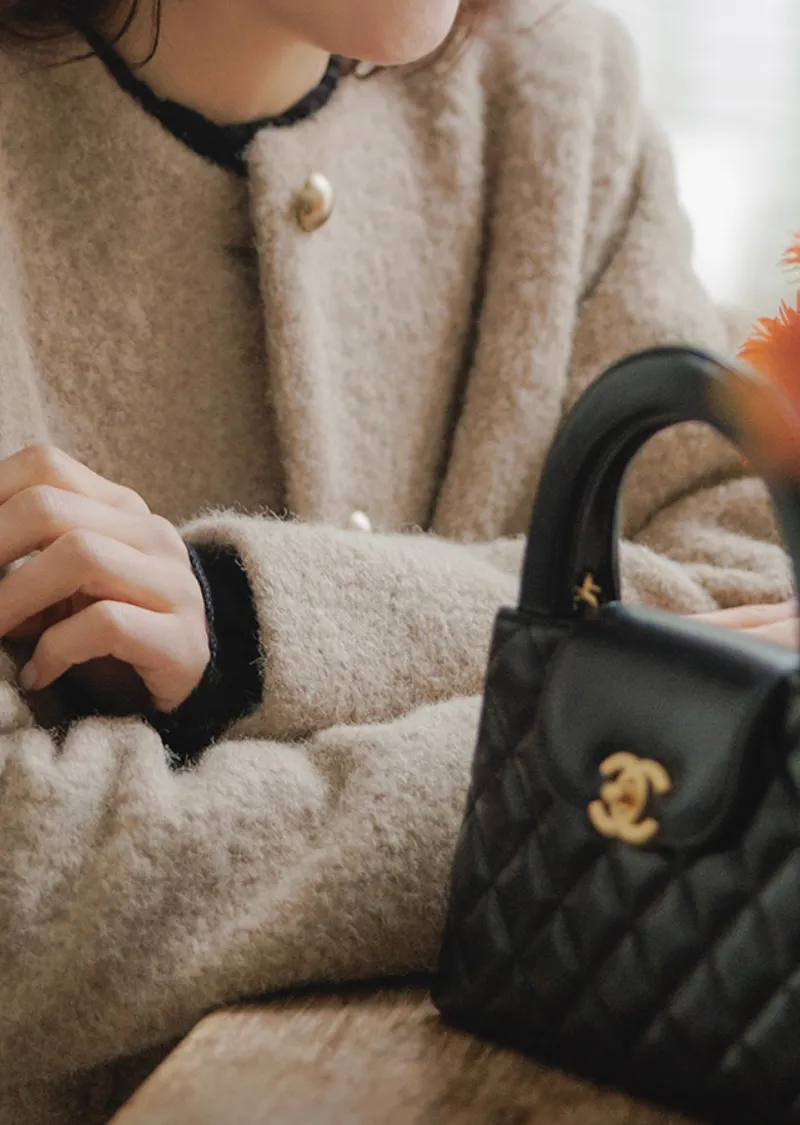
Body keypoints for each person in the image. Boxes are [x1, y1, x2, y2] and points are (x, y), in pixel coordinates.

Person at [0, 0, 793, 1120]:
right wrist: (547, 774)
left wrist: (249, 624)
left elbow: (756, 591)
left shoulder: (554, 92)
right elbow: (20, 885)